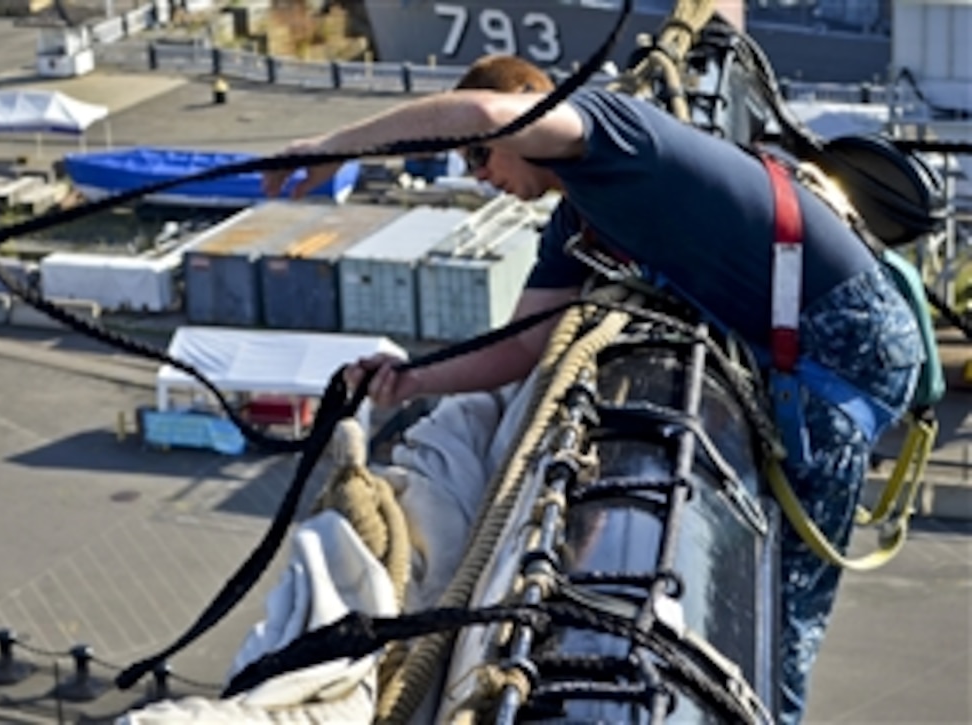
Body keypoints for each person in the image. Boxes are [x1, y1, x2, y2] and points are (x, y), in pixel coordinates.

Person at [262, 55, 924, 724]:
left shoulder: (609, 129)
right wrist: (410, 382)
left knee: (784, 622)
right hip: (812, 341)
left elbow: (486, 112)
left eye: (481, 157)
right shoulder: (580, 218)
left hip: (844, 346)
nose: (481, 175)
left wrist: (333, 150)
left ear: (530, 110)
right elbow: (523, 344)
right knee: (771, 607)